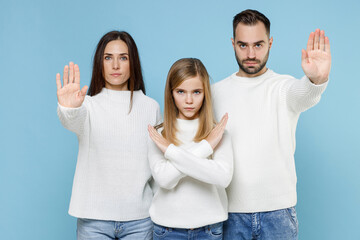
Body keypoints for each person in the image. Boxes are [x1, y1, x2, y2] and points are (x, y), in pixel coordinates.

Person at [211, 9, 331, 240]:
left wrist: (317, 79)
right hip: (230, 215)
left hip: (278, 215)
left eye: (258, 45)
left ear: (270, 43)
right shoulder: (216, 93)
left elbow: (305, 94)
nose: (251, 54)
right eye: (243, 45)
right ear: (232, 43)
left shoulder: (284, 87)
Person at [56, 31, 161, 240]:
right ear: (99, 63)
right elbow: (71, 120)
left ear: (133, 63)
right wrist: (68, 108)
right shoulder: (87, 105)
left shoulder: (151, 107)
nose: (115, 65)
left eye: (123, 57)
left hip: (140, 220)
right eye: (108, 58)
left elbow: (157, 162)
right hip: (93, 221)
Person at [147, 58, 233, 240]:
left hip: (209, 230)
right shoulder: (158, 134)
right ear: (171, 93)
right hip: (167, 230)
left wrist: (171, 152)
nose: (188, 100)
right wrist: (206, 147)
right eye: (180, 91)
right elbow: (165, 179)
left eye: (196, 92)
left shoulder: (217, 132)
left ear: (205, 93)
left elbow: (222, 177)